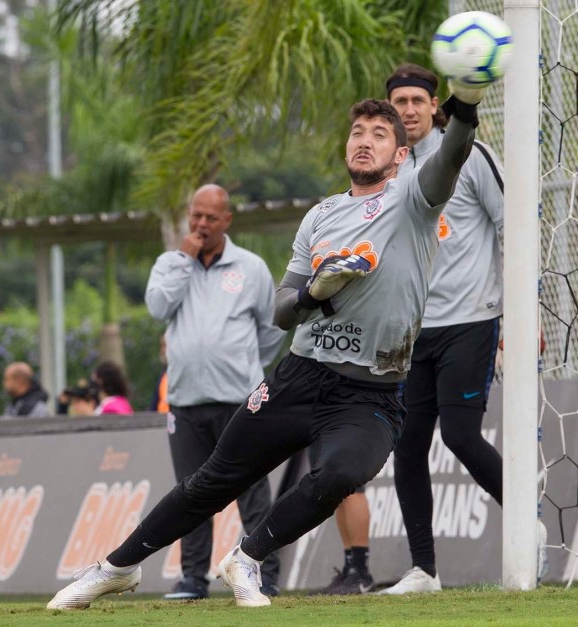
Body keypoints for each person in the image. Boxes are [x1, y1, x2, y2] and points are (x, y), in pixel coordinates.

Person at [47, 84, 485, 610]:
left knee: (343, 474)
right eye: (357, 132)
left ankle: (247, 558)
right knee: (211, 481)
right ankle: (114, 568)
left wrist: (469, 101)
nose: (364, 141)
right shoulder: (320, 216)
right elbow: (281, 310)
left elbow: (454, 152)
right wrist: (314, 293)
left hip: (370, 392)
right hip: (300, 375)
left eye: (379, 134)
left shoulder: (415, 197)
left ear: (401, 153)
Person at [374, 63, 544, 595]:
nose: (407, 110)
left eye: (416, 101)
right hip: (411, 331)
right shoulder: (390, 168)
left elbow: (512, 223)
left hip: (471, 319)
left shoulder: (469, 154)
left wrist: (522, 313)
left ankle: (525, 522)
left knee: (461, 434)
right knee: (406, 446)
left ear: (434, 106)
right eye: (398, 102)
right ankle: (424, 571)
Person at [153, 183, 287, 601]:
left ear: (227, 220)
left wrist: (239, 367)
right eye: (196, 216)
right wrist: (183, 261)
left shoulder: (250, 267)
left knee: (252, 491)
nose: (202, 225)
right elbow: (158, 308)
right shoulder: (170, 264)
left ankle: (263, 574)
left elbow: (270, 332)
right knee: (190, 493)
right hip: (186, 401)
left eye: (211, 217)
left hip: (239, 400)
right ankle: (193, 578)